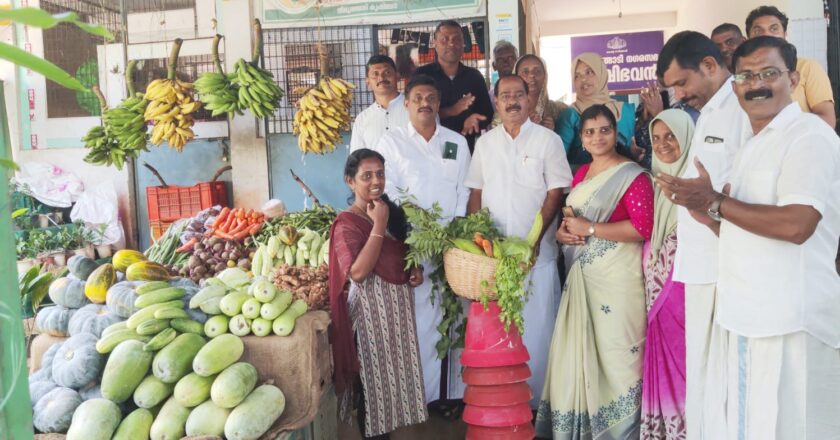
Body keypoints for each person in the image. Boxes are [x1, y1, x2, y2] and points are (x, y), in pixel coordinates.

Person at [655, 36, 840, 439]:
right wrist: (707, 216)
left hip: (791, 322)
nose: (757, 84)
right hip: (749, 319)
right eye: (747, 75)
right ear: (734, 84)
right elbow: (741, 230)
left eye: (769, 73)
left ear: (792, 79)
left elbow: (798, 225)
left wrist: (716, 202)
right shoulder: (754, 145)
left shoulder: (808, 135)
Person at [537, 104, 652, 439]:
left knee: (618, 357)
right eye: (590, 132)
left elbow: (643, 227)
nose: (597, 137)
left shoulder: (633, 174)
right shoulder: (581, 175)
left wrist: (590, 229)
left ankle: (622, 431)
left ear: (616, 134)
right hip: (583, 276)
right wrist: (562, 233)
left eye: (604, 130)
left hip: (618, 281)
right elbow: (570, 219)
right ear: (582, 139)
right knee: (583, 353)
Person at [656, 30, 746, 440]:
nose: (677, 95)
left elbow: (741, 193)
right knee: (704, 374)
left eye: (681, 82)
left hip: (728, 264)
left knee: (728, 377)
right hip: (700, 265)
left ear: (709, 66)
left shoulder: (742, 110)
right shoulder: (708, 111)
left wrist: (705, 202)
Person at [465, 74, 572, 408]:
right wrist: (476, 237)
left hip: (535, 258)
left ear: (530, 99)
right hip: (494, 257)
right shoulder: (485, 144)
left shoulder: (547, 141)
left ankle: (539, 406)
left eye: (518, 95)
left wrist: (537, 237)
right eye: (505, 95)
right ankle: (504, 403)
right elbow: (476, 191)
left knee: (538, 329)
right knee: (501, 329)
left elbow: (556, 190)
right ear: (496, 102)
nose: (512, 101)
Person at [373, 74, 471, 405]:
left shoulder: (456, 141)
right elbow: (390, 192)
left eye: (431, 97)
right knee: (418, 319)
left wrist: (455, 231)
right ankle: (416, 397)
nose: (425, 103)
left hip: (451, 246)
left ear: (439, 103)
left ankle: (451, 395)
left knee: (453, 317)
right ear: (408, 103)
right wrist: (413, 234)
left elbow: (465, 189)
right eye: (418, 98)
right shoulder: (392, 142)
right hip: (411, 244)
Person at [328, 149, 427, 439]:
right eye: (366, 176)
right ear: (350, 181)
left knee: (395, 384)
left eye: (380, 174)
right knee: (371, 390)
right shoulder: (347, 222)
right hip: (371, 318)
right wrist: (379, 226)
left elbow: (402, 253)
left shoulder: (391, 211)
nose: (376, 181)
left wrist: (414, 268)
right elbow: (357, 272)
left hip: (397, 315)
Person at [640, 109, 695, 439]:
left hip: (685, 298)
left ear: (687, 137)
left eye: (671, 136)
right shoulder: (656, 184)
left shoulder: (696, 183)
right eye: (656, 138)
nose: (662, 145)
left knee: (686, 365)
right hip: (657, 299)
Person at [745, 5, 836, 128]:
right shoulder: (743, 75)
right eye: (758, 30)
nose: (766, 35)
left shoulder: (807, 67)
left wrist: (781, 127)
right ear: (748, 39)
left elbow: (828, 121)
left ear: (785, 34)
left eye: (774, 29)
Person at [414, 20, 494, 151]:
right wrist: (453, 110)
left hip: (465, 149)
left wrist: (475, 120)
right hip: (428, 149)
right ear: (435, 44)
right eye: (444, 39)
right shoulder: (422, 76)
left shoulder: (474, 77)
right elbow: (414, 113)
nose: (451, 44)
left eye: (457, 39)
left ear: (463, 44)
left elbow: (487, 114)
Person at [556, 52, 636, 167]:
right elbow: (557, 162)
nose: (583, 79)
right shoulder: (570, 115)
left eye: (589, 72)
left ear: (601, 73)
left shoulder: (626, 110)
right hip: (584, 181)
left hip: (626, 179)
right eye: (577, 76)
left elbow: (638, 152)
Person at [350, 55, 409, 151]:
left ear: (397, 76)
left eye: (387, 72)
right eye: (375, 74)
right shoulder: (362, 120)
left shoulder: (415, 109)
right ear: (368, 82)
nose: (381, 77)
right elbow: (357, 159)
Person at [515, 54, 567, 130]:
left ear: (545, 76)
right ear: (516, 77)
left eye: (537, 71)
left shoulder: (559, 110)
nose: (532, 75)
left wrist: (552, 131)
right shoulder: (507, 111)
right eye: (525, 72)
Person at [489, 40, 518, 108]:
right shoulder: (489, 98)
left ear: (517, 62)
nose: (506, 62)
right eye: (500, 59)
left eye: (510, 58)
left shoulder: (528, 91)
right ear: (494, 66)